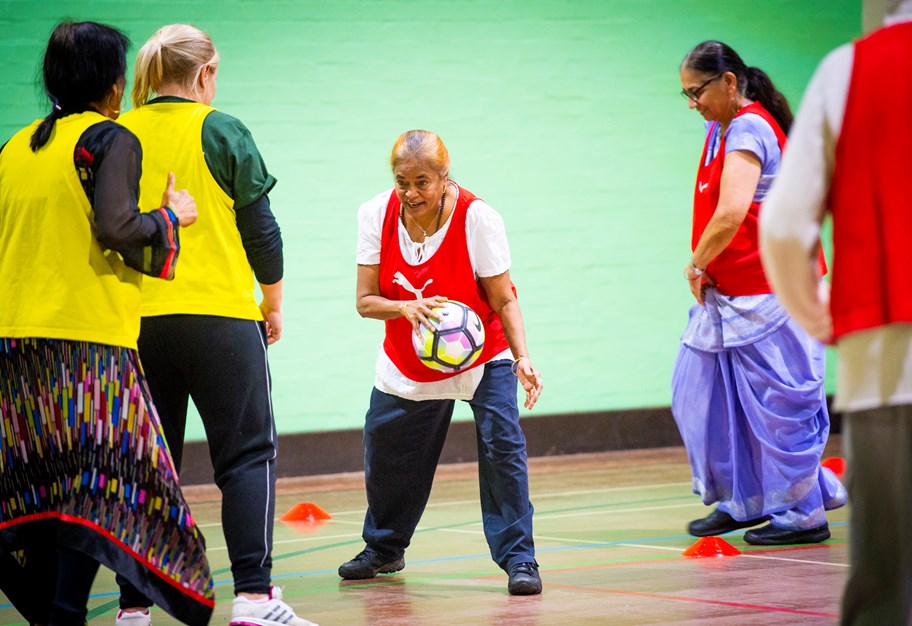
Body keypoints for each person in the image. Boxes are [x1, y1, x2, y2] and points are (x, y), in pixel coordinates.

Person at [0, 21, 214, 626]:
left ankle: (49, 611)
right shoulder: (108, 139)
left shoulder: (15, 146)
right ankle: (65, 609)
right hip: (86, 343)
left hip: (16, 342)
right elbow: (119, 229)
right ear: (112, 83)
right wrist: (170, 218)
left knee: (44, 486)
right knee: (102, 485)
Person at [114, 24, 315, 626]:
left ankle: (132, 609)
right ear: (204, 75)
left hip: (136, 325)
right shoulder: (222, 129)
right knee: (247, 457)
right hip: (222, 319)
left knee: (147, 464)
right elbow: (263, 231)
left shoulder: (114, 135)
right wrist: (273, 302)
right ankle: (254, 599)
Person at [760, 1, 912, 622]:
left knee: (887, 588)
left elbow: (783, 225)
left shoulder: (850, 68)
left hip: (889, 358)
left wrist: (816, 315)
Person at [343, 129, 544, 595]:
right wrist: (403, 308)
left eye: (421, 182)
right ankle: (385, 548)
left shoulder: (480, 219)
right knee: (387, 449)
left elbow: (504, 298)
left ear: (443, 178)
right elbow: (364, 301)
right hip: (407, 359)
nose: (410, 192)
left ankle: (520, 559)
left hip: (483, 355)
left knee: (503, 449)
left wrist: (523, 358)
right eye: (402, 182)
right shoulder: (375, 213)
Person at [671, 40, 847, 546]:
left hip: (770, 293)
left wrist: (696, 263)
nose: (691, 103)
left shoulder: (748, 127)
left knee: (778, 410)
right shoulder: (718, 128)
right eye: (683, 94)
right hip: (731, 295)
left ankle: (802, 515)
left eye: (697, 91)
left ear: (729, 82)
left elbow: (731, 212)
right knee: (708, 400)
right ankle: (745, 500)